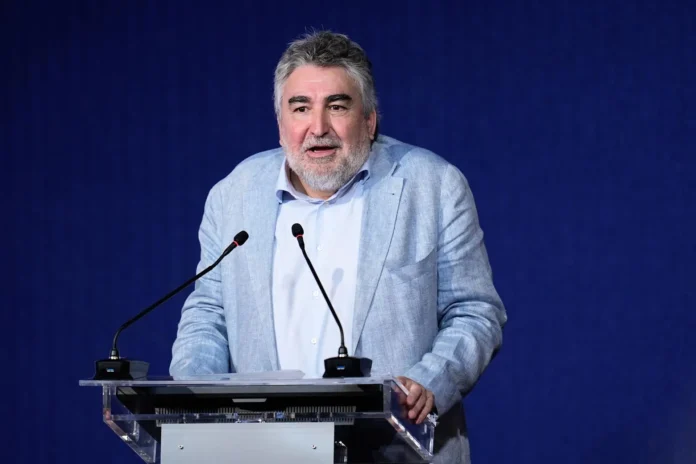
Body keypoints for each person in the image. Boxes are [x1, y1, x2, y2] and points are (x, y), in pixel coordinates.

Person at [170, 30, 507, 463]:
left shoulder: (433, 186)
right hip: (265, 450)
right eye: (300, 108)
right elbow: (208, 313)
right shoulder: (232, 195)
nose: (318, 128)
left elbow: (475, 310)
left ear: (370, 120)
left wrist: (431, 380)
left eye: (337, 106)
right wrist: (193, 395)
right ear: (280, 124)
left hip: (398, 449)